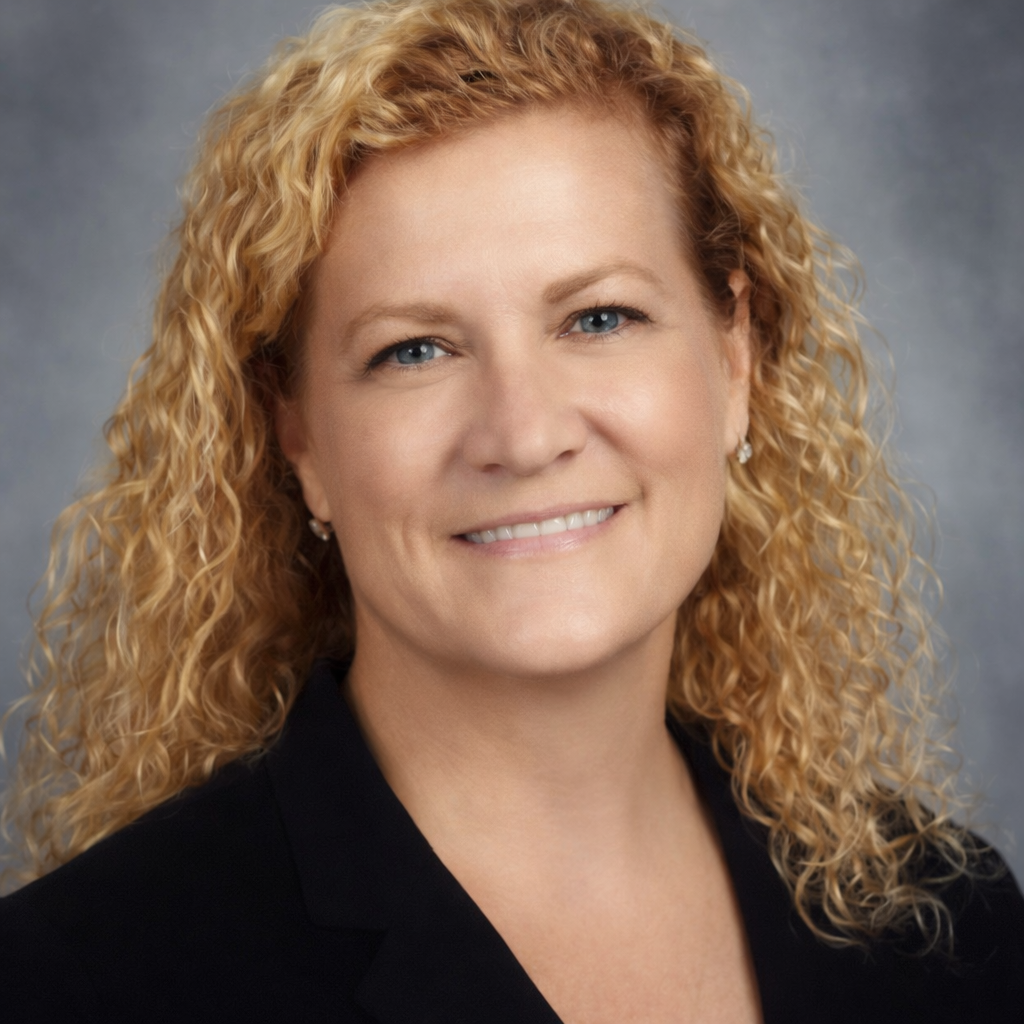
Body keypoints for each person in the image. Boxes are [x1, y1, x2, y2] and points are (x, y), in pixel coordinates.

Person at [0, 0, 1021, 1020]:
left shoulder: (951, 925)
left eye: (599, 318)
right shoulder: (73, 984)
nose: (525, 435)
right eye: (414, 350)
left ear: (735, 361)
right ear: (297, 437)